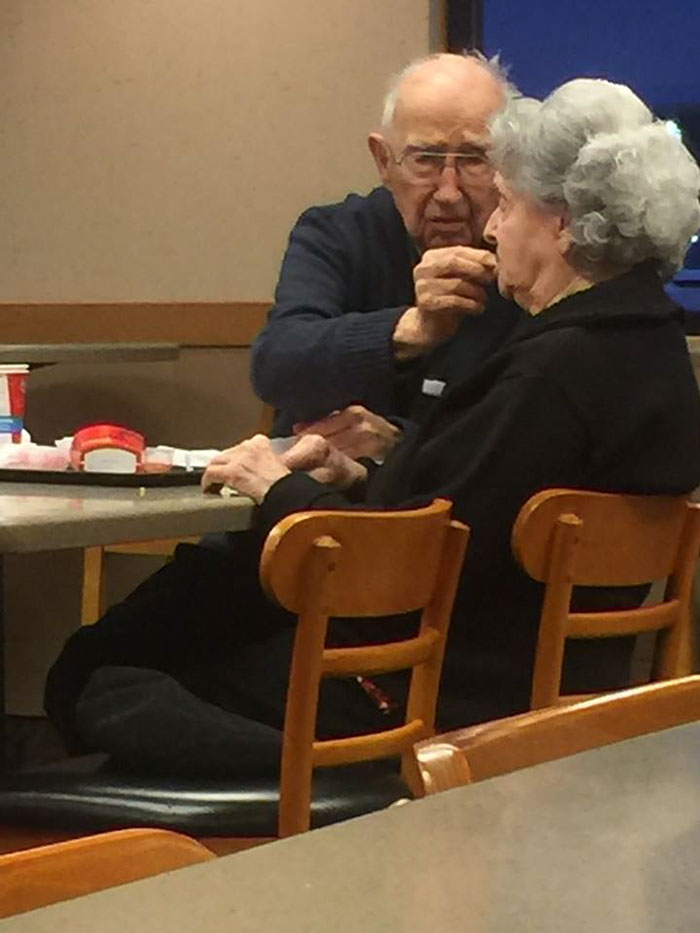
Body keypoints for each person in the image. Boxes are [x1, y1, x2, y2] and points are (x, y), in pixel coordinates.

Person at [45, 79, 700, 776]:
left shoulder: (551, 372)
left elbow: (396, 569)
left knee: (107, 679)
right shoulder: (651, 351)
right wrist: (362, 474)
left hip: (420, 695)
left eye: (504, 202)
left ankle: (369, 774)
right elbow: (465, 510)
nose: (489, 226)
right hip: (553, 690)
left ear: (564, 222)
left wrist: (275, 489)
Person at [251, 52, 524, 457]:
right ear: (383, 160)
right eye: (425, 161)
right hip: (317, 501)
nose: (448, 193)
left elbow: (524, 431)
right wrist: (411, 328)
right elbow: (277, 365)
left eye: (473, 160)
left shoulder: (526, 254)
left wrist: (400, 443)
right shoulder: (337, 233)